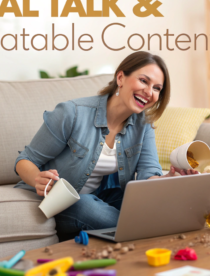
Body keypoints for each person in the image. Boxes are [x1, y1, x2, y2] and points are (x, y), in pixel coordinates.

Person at [14, 51, 198, 242]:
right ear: (120, 78)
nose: (149, 92)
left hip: (100, 197)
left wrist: (169, 179)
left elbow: (148, 173)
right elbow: (25, 160)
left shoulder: (143, 125)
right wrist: (37, 178)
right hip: (59, 202)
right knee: (85, 204)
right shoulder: (72, 113)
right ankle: (145, 230)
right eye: (144, 81)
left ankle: (144, 230)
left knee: (144, 205)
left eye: (157, 88)